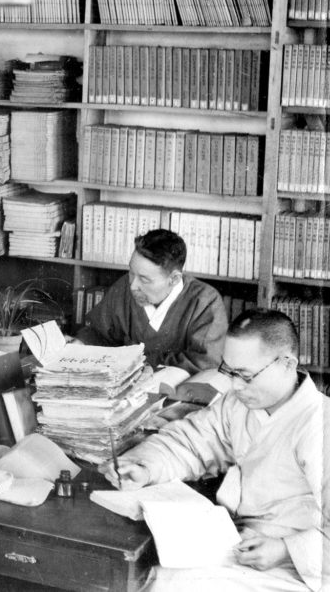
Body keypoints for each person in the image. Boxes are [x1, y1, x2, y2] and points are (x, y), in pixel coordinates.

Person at [101, 309, 329, 592]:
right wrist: (145, 467)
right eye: (229, 372)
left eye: (245, 375)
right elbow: (191, 442)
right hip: (240, 546)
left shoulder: (320, 425)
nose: (235, 385)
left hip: (299, 569)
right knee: (150, 576)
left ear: (287, 364)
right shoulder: (238, 405)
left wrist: (286, 549)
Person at [77, 228, 227, 373]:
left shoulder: (205, 302)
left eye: (144, 279)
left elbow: (205, 363)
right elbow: (98, 334)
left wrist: (138, 363)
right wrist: (81, 343)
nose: (133, 285)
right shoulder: (124, 287)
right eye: (131, 273)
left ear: (174, 279)